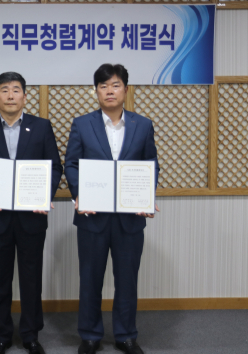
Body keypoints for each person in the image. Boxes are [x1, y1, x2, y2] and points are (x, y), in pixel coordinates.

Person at [64, 64, 159, 354]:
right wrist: (80, 194)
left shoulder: (143, 125)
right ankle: (90, 335)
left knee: (127, 280)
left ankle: (126, 335)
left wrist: (146, 196)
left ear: (125, 90)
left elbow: (150, 164)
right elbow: (71, 164)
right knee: (90, 278)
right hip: (92, 217)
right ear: (96, 91)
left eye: (115, 85)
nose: (109, 91)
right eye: (103, 86)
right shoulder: (82, 124)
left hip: (130, 218)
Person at [0, 72, 62, 354]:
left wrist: (44, 195)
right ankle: (2, 335)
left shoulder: (41, 126)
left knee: (31, 278)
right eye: (5, 90)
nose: (10, 95)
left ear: (25, 96)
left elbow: (54, 167)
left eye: (16, 90)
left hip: (31, 217)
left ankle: (31, 335)